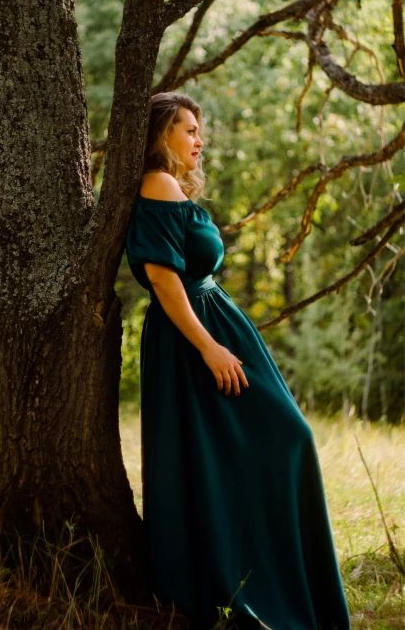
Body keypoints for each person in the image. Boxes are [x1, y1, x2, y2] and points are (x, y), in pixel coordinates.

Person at [124, 92, 351, 630]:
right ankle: (238, 585)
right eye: (188, 130)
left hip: (214, 330)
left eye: (199, 130)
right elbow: (161, 278)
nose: (198, 140)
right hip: (194, 339)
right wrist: (208, 346)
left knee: (259, 447)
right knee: (281, 439)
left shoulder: (172, 186)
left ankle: (265, 579)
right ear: (161, 135)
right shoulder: (157, 182)